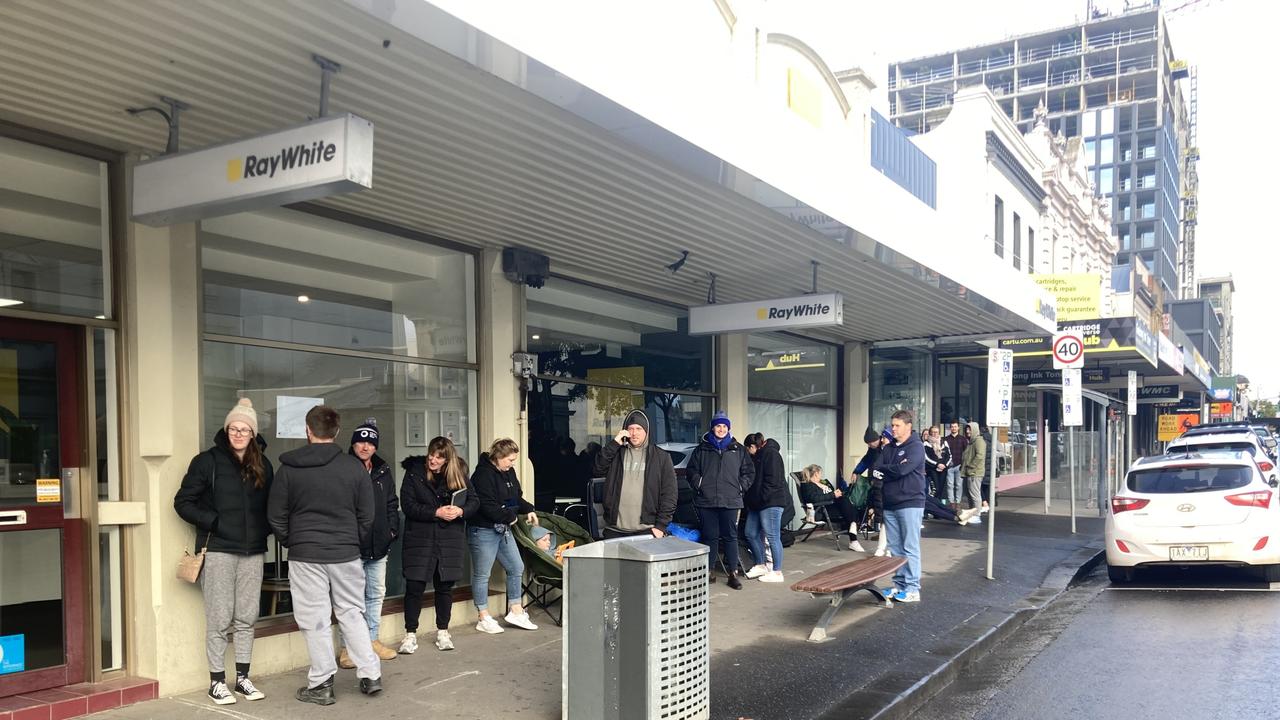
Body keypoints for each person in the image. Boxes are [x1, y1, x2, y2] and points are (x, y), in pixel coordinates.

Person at [268, 405, 381, 705]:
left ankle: (321, 684)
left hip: (306, 554)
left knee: (314, 618)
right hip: (346, 553)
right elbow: (367, 515)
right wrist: (351, 540)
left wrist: (294, 540)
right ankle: (370, 674)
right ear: (337, 432)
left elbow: (276, 515)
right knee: (352, 612)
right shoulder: (353, 467)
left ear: (307, 430)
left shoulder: (288, 469)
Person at [174, 398, 274, 706]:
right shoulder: (207, 461)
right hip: (218, 550)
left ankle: (243, 678)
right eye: (234, 428)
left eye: (245, 429)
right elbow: (183, 502)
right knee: (219, 618)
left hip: (253, 551)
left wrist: (265, 529)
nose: (239, 433)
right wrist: (215, 522)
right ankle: (216, 681)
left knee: (246, 617)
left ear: (253, 433)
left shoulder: (263, 465)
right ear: (226, 429)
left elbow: (272, 505)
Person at [398, 436, 479, 653]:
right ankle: (410, 634)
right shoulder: (414, 472)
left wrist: (460, 511)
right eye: (431, 455)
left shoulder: (458, 473)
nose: (433, 460)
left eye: (439, 457)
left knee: (445, 587)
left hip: (449, 539)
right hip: (420, 538)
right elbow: (407, 505)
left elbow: (474, 501)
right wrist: (436, 512)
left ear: (447, 459)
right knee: (414, 586)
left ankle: (443, 631)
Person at [337, 418, 400, 669]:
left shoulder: (383, 470)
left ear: (375, 446)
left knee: (375, 595)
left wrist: (391, 531)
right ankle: (347, 648)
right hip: (352, 547)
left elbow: (391, 504)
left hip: (379, 546)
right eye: (360, 441)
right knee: (350, 600)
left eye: (370, 443)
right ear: (352, 444)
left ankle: (372, 641)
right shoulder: (343, 468)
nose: (365, 446)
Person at [469, 438, 540, 634]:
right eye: (509, 459)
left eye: (514, 460)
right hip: (483, 529)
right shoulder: (482, 475)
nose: (512, 463)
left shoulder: (508, 472)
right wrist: (510, 516)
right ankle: (482, 616)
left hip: (503, 527)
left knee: (516, 566)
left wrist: (528, 509)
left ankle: (516, 610)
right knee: (482, 574)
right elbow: (487, 505)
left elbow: (516, 496)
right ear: (498, 457)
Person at [686, 411, 754, 589]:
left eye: (724, 426)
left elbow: (749, 472)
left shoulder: (738, 449)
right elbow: (691, 471)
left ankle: (733, 573)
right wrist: (699, 483)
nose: (721, 429)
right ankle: (708, 572)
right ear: (713, 428)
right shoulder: (701, 449)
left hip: (731, 501)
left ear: (728, 428)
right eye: (718, 426)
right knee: (710, 537)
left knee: (731, 537)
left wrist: (740, 487)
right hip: (707, 501)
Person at [593, 410, 677, 538]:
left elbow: (670, 494)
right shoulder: (616, 453)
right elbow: (597, 468)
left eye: (639, 428)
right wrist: (615, 443)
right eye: (630, 429)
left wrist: (661, 526)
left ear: (646, 431)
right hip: (615, 530)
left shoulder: (661, 457)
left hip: (647, 531)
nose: (634, 433)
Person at [874, 409, 927, 603]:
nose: (893, 429)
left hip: (910, 502)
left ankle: (913, 588)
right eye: (892, 425)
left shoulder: (916, 446)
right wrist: (891, 470)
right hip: (890, 504)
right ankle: (900, 585)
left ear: (908, 426)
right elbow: (875, 470)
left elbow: (904, 469)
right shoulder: (888, 448)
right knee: (895, 548)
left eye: (897, 426)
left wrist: (887, 471)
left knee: (910, 546)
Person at [744, 435, 788, 582]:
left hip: (771, 502)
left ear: (752, 446)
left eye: (747, 449)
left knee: (773, 536)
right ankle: (761, 564)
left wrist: (760, 498)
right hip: (759, 503)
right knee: (750, 533)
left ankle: (777, 572)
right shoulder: (760, 455)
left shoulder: (771, 454)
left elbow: (772, 481)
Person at [799, 464, 865, 552]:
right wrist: (833, 495)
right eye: (820, 474)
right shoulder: (807, 485)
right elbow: (814, 499)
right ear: (816, 474)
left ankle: (853, 531)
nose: (821, 476)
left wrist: (835, 494)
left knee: (848, 503)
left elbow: (828, 494)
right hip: (822, 510)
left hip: (831, 506)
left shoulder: (821, 483)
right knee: (847, 507)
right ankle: (853, 533)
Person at [849, 427, 891, 556]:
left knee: (886, 515)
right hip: (876, 483)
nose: (870, 445)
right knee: (881, 514)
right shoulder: (872, 449)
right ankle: (883, 544)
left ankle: (887, 546)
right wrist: (856, 471)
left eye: (871, 442)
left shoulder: (887, 447)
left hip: (886, 483)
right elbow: (866, 460)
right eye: (868, 444)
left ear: (878, 439)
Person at [961, 421, 987, 524]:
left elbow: (980, 456)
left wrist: (971, 466)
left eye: (969, 429)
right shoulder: (971, 442)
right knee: (970, 494)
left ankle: (977, 515)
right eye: (967, 429)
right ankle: (973, 513)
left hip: (974, 473)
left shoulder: (978, 441)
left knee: (975, 494)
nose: (967, 431)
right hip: (969, 472)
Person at [943, 422, 968, 508]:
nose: (953, 428)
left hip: (959, 465)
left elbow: (966, 452)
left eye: (955, 427)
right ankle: (951, 502)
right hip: (949, 465)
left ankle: (958, 502)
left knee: (958, 485)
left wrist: (964, 463)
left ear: (958, 428)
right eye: (952, 427)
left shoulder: (963, 439)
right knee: (950, 484)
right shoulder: (945, 439)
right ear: (950, 428)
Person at [924, 426, 951, 504]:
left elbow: (949, 455)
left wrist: (945, 465)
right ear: (930, 432)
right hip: (932, 469)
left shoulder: (944, 442)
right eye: (932, 432)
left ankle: (938, 508)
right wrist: (937, 464)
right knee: (936, 489)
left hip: (943, 469)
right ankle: (932, 506)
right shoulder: (926, 443)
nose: (934, 434)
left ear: (939, 433)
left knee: (941, 490)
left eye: (936, 432)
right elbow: (926, 457)